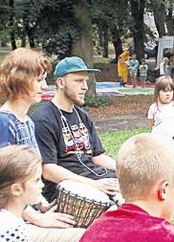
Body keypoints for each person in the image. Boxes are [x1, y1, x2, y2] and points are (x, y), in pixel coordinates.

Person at [0, 48, 83, 242]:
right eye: (39, 80)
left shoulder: (27, 122)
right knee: (88, 239)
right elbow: (5, 189)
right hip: (12, 226)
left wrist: (42, 205)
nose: (44, 86)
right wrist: (38, 218)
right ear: (20, 80)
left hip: (27, 215)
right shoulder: (4, 123)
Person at [32, 56, 121, 203]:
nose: (85, 86)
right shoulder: (43, 120)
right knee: (118, 200)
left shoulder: (83, 116)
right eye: (79, 81)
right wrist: (94, 185)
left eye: (85, 81)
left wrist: (126, 171)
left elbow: (97, 156)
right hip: (66, 188)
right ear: (61, 82)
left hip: (95, 177)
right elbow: (48, 170)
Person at [147, 76, 174, 141]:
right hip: (157, 140)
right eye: (164, 91)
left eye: (170, 91)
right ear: (158, 92)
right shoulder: (154, 107)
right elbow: (151, 124)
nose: (167, 94)